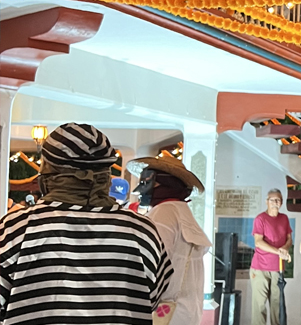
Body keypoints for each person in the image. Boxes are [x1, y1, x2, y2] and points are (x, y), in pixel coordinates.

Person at [0, 123, 172, 324]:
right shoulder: (143, 231)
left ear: (48, 171)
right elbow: (151, 298)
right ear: (106, 173)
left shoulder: (16, 227)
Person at [130, 154, 212, 325]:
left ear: (160, 184)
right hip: (187, 312)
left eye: (147, 183)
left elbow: (150, 263)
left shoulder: (164, 212)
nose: (143, 190)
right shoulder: (181, 211)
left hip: (165, 313)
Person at [251, 188, 292, 325]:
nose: (276, 202)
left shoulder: (284, 218)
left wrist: (284, 249)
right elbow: (258, 242)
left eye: (278, 200)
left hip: (278, 268)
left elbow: (289, 240)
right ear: (267, 202)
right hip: (260, 268)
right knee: (260, 305)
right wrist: (278, 252)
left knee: (277, 306)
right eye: (273, 200)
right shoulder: (260, 219)